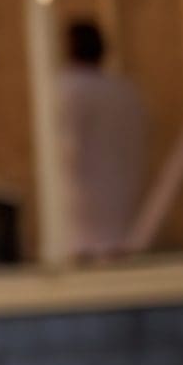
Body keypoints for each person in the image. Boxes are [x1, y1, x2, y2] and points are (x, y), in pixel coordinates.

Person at [56, 18, 148, 260]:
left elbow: (66, 150)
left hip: (79, 208)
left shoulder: (67, 90)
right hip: (122, 203)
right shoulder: (125, 92)